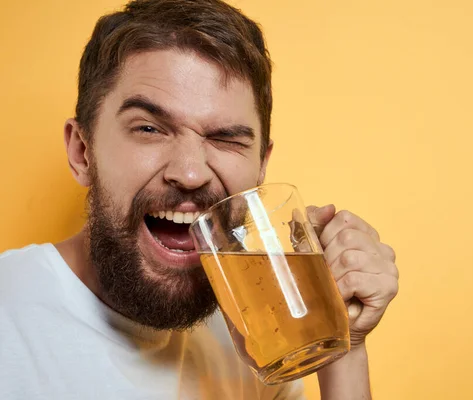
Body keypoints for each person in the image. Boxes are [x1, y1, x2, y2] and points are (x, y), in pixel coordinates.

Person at [0, 0, 399, 399]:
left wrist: (343, 346)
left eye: (226, 138)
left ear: (261, 167)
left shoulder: (260, 339)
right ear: (82, 152)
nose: (191, 173)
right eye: (149, 129)